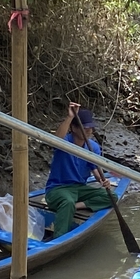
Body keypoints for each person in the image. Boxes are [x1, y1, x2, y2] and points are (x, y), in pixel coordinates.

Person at [45, 102, 116, 238]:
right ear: (74, 128)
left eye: (90, 128)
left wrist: (103, 180)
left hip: (79, 189)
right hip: (58, 189)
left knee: (111, 196)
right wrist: (70, 117)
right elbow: (55, 140)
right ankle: (59, 238)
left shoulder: (92, 147)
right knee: (67, 201)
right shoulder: (65, 142)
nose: (89, 131)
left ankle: (77, 206)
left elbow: (94, 169)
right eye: (85, 128)